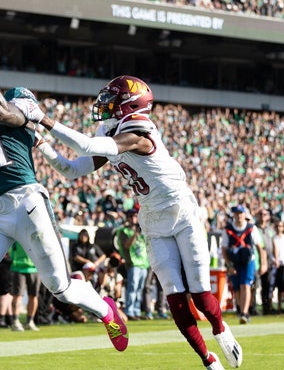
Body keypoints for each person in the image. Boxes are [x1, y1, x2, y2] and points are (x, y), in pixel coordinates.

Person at [0, 19, 128, 369]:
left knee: (60, 288)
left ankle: (105, 307)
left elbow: (4, 114)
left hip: (27, 200)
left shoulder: (16, 97)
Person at [33, 75, 240, 369]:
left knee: (201, 295)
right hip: (152, 220)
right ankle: (208, 360)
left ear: (129, 105)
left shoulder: (138, 131)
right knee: (175, 298)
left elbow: (87, 147)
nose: (105, 104)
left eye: (112, 99)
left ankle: (221, 330)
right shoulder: (112, 128)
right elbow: (70, 170)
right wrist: (41, 143)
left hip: (181, 212)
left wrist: (44, 119)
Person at [221, 205, 265, 324]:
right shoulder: (228, 230)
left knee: (245, 285)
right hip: (234, 262)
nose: (239, 216)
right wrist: (229, 265)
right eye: (237, 213)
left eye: (241, 213)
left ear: (245, 215)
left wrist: (263, 263)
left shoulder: (251, 228)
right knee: (237, 288)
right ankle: (241, 309)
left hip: (248, 261)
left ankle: (244, 312)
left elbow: (260, 247)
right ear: (234, 215)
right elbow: (224, 249)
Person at [114, 209, 149, 321]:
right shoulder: (124, 231)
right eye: (131, 216)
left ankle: (137, 311)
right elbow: (127, 245)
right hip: (133, 263)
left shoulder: (141, 230)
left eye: (135, 216)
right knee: (132, 288)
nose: (134, 218)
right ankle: (129, 311)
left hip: (143, 263)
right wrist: (135, 234)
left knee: (139, 288)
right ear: (128, 218)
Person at [8, 242, 41, 332]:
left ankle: (30, 322)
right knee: (17, 296)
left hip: (34, 268)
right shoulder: (16, 230)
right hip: (18, 267)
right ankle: (15, 322)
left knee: (33, 296)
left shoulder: (35, 232)